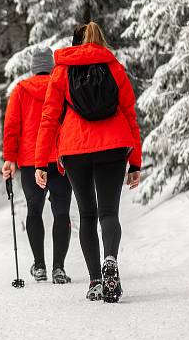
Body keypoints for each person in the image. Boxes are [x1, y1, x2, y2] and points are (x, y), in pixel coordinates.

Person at [34, 21, 142, 303]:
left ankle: (95, 280)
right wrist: (136, 162)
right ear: (99, 40)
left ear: (74, 42)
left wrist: (40, 163)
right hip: (114, 146)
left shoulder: (62, 71)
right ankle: (110, 260)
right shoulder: (114, 67)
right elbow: (130, 114)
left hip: (75, 148)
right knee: (109, 214)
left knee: (87, 215)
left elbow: (49, 118)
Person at [2, 48, 73, 284]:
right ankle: (59, 269)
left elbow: (12, 127)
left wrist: (9, 159)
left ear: (33, 68)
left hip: (32, 161)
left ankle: (40, 266)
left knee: (34, 210)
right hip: (61, 158)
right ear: (51, 66)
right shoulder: (61, 86)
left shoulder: (21, 90)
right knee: (61, 211)